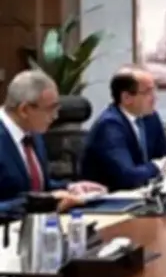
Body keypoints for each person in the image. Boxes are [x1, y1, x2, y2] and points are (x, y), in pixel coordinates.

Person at [0, 70, 106, 212]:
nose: (55, 116)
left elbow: (40, 187)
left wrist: (70, 188)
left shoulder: (33, 133)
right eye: (50, 109)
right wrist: (43, 203)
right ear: (24, 110)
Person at [80, 66, 166, 191]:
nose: (155, 98)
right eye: (148, 92)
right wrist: (157, 167)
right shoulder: (109, 125)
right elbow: (127, 177)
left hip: (143, 192)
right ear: (127, 98)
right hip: (109, 197)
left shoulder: (150, 117)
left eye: (154, 91)